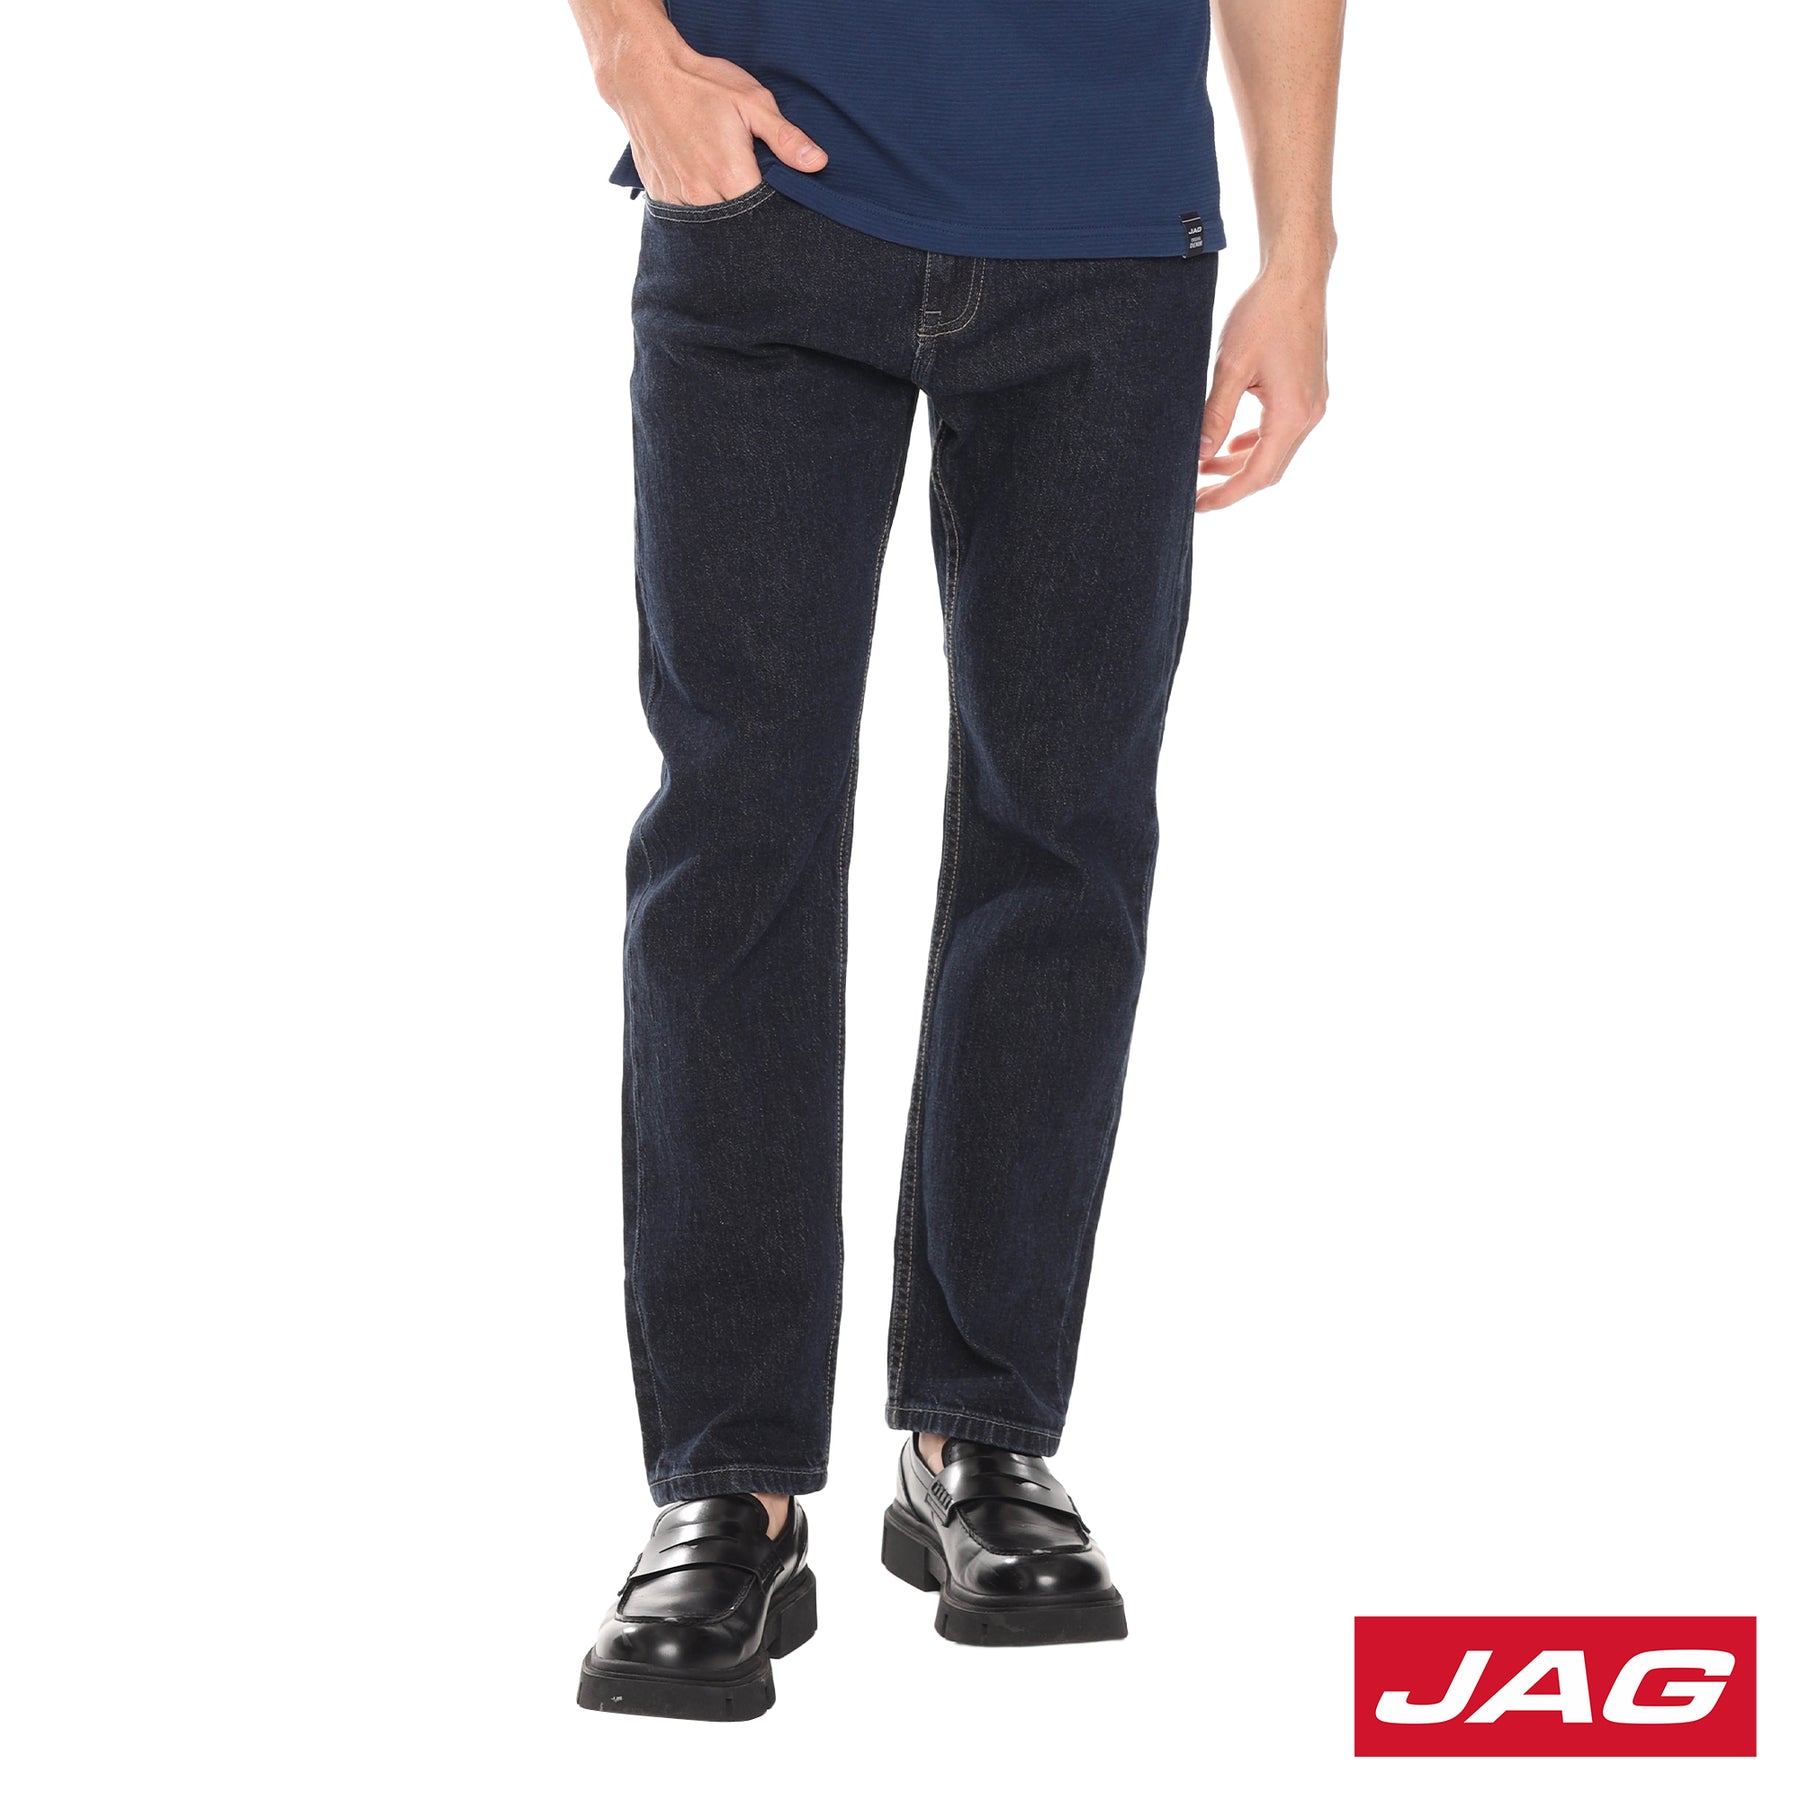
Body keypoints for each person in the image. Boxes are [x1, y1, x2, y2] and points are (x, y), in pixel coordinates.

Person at [565, 0, 1344, 1720]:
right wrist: (626, 49)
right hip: (765, 199)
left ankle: (979, 1436)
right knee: (737, 838)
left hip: (1111, 233)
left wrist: (1300, 257)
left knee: (1064, 834)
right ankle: (729, 1482)